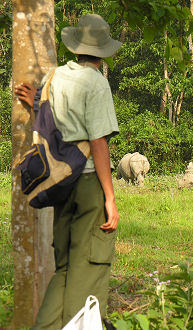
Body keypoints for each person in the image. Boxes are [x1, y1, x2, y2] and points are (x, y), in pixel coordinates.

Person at [15, 14, 122, 329]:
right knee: (87, 269)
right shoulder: (96, 83)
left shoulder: (53, 77)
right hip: (89, 183)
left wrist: (32, 99)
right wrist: (110, 198)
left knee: (63, 270)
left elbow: (49, 119)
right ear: (103, 53)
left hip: (61, 182)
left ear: (76, 48)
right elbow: (98, 142)